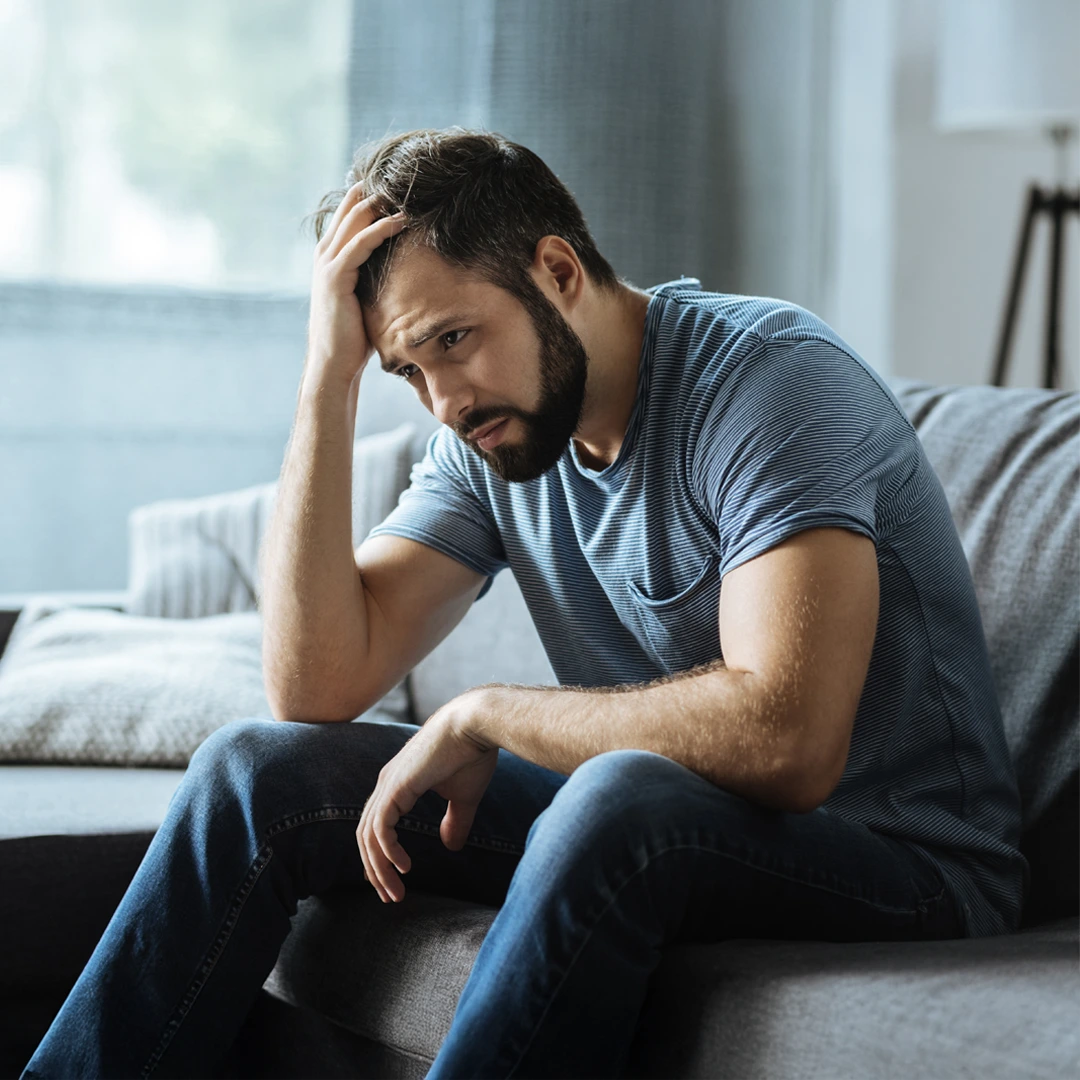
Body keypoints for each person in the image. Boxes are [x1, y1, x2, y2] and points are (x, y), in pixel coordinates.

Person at [23, 127, 1027, 1080]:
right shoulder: (489, 440)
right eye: (408, 370)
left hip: (905, 863)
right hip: (662, 823)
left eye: (455, 339)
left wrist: (488, 712)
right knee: (255, 769)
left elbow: (787, 742)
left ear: (557, 271)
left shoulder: (769, 383)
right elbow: (315, 683)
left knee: (617, 793)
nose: (444, 400)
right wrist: (325, 379)